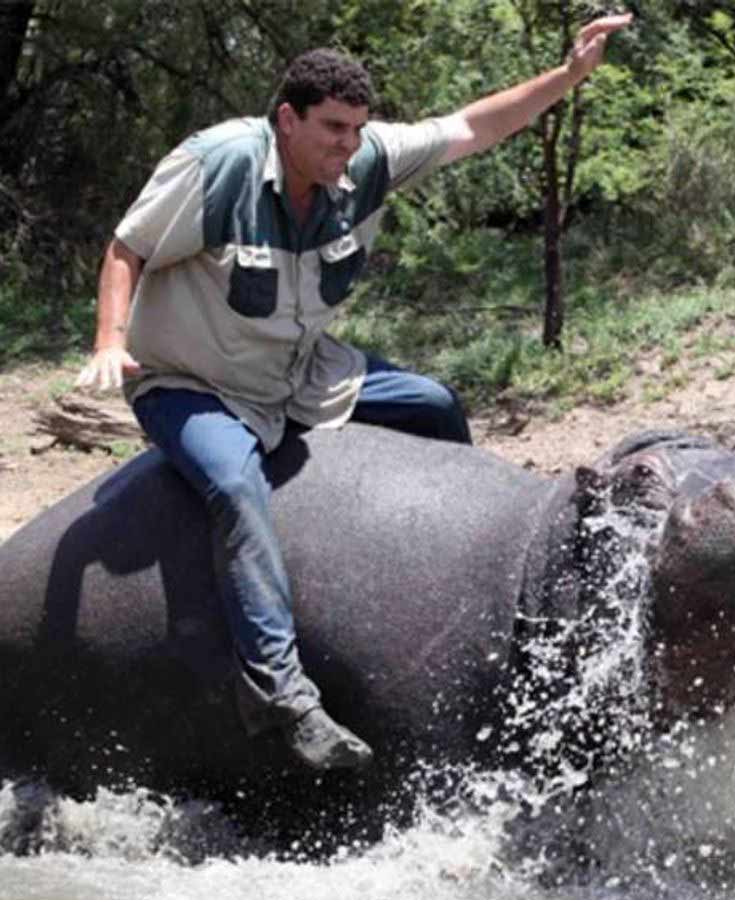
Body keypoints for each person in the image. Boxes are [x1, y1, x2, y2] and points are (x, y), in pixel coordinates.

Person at [76, 14, 633, 772]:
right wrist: (110, 341)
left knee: (434, 405)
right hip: (194, 381)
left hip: (300, 372)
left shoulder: (366, 161)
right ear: (288, 119)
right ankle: (280, 696)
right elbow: (126, 247)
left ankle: (463, 578)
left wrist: (568, 76)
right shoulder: (219, 165)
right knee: (234, 486)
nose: (348, 145)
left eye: (357, 129)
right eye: (333, 129)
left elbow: (475, 127)